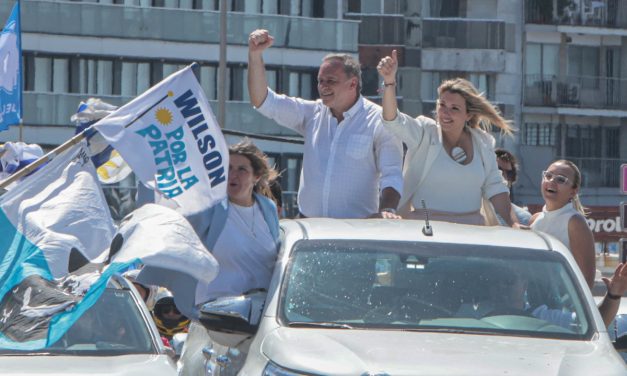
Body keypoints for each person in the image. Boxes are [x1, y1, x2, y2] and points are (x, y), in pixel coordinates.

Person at [247, 29, 403, 219]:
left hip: (356, 231)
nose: (323, 87)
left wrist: (388, 210)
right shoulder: (312, 113)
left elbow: (392, 174)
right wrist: (255, 56)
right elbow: (263, 101)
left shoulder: (380, 120)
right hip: (311, 228)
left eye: (331, 81)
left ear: (352, 84)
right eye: (320, 81)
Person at [377, 50, 517, 226]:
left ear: (468, 115)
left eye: (454, 108)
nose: (445, 112)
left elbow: (496, 188)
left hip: (471, 234)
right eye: (442, 105)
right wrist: (389, 82)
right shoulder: (425, 132)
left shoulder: (483, 141)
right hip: (425, 231)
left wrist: (514, 223)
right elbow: (392, 120)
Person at [528, 159, 627, 326]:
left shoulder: (575, 222)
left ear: (574, 191)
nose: (551, 181)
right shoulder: (535, 219)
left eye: (561, 179)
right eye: (548, 175)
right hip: (532, 305)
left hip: (561, 310)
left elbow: (586, 281)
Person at [495, 148, 531, 225]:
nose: (503, 177)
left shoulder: (523, 218)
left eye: (509, 173)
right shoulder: (471, 210)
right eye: (498, 170)